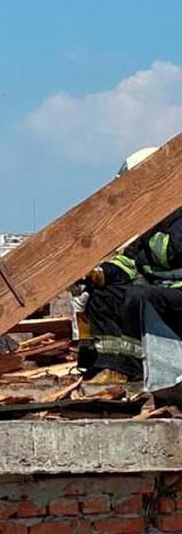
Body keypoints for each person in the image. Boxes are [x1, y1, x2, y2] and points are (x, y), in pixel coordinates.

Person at [79, 147, 168, 384]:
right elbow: (129, 261)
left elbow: (169, 252)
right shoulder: (149, 218)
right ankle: (106, 366)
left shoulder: (174, 216)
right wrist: (99, 275)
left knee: (137, 297)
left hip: (175, 290)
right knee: (103, 295)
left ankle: (130, 369)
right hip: (159, 289)